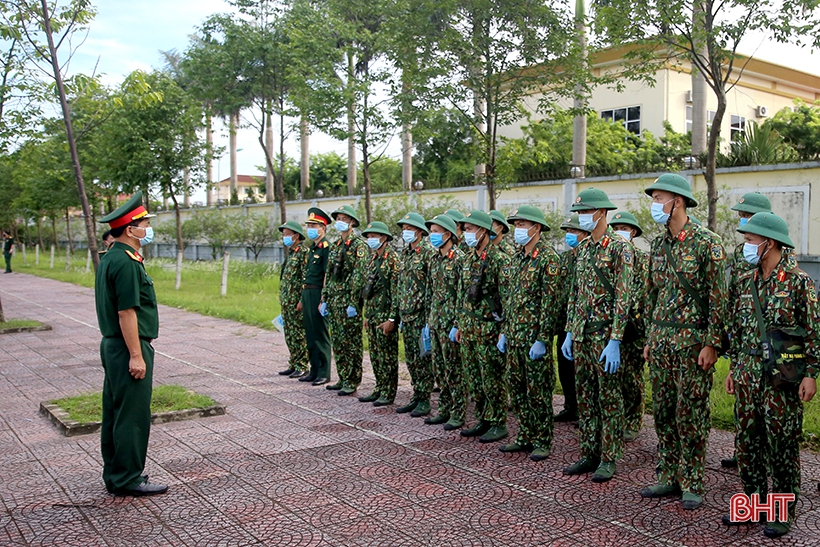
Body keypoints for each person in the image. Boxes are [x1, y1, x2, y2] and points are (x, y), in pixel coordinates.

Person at [724, 212, 818, 538]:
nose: (746, 246)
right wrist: (734, 368)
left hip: (782, 377)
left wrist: (811, 374)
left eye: (751, 240)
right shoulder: (744, 281)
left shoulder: (798, 282)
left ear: (770, 242)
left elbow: (813, 332)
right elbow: (737, 331)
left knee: (782, 444)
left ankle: (781, 509)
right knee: (747, 442)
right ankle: (754, 502)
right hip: (748, 374)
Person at [640, 173, 728, 510]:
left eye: (658, 198)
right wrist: (650, 338)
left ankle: (692, 481)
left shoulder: (707, 243)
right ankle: (668, 475)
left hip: (693, 344)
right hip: (662, 343)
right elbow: (652, 296)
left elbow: (718, 298)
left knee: (690, 412)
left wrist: (712, 343)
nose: (654, 205)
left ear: (677, 201)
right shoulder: (658, 245)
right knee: (663, 412)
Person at [95, 191, 167, 497]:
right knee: (132, 415)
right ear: (130, 229)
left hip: (114, 345)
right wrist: (136, 355)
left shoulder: (111, 257)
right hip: (128, 345)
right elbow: (126, 312)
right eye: (145, 225)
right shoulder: (125, 262)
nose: (148, 229)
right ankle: (127, 478)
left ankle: (116, 474)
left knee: (116, 411)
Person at [561, 189, 633, 483]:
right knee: (586, 397)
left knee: (609, 399)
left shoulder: (619, 248)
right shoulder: (583, 249)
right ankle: (589, 452)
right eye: (578, 212)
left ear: (602, 212)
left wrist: (616, 340)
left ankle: (608, 456)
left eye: (585, 212)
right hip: (582, 335)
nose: (581, 217)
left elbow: (624, 296)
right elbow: (575, 294)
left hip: (605, 337)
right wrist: (569, 331)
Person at [498, 205, 564, 461]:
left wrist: (543, 338)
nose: (518, 229)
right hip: (514, 336)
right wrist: (505, 331)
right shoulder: (516, 257)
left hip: (534, 339)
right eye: (516, 225)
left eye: (522, 225)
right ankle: (525, 434)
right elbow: (510, 299)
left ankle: (542, 439)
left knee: (538, 392)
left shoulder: (548, 258)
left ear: (536, 228)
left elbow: (551, 303)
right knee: (517, 390)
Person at [721, 192, 773, 468]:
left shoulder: (778, 252)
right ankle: (742, 451)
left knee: (769, 406)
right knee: (743, 404)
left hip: (769, 343)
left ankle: (766, 454)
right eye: (742, 216)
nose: (744, 221)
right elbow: (734, 293)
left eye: (748, 215)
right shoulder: (743, 251)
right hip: (744, 337)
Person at [454, 210, 510, 443]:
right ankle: (483, 418)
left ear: (483, 231)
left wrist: (504, 331)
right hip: (469, 328)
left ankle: (498, 422)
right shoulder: (468, 258)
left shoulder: (499, 259)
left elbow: (507, 298)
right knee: (474, 378)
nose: (466, 233)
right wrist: (459, 324)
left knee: (492, 379)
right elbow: (462, 294)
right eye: (465, 229)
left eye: (470, 229)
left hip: (489, 330)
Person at [424, 214, 468, 430]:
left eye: (436, 232)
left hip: (451, 324)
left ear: (448, 234)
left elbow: (463, 294)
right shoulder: (434, 259)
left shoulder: (460, 259)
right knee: (439, 370)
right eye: (431, 231)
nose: (432, 235)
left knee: (454, 371)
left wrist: (458, 323)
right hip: (435, 322)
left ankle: (458, 412)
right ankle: (444, 408)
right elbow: (430, 291)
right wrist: (428, 320)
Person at [609, 211, 649, 441]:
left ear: (633, 232)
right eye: (615, 228)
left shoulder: (642, 259)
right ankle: (618, 418)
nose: (619, 232)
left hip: (634, 326)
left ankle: (634, 420)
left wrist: (632, 316)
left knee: (632, 377)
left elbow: (643, 291)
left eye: (623, 228)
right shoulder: (610, 255)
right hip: (612, 325)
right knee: (614, 377)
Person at [322, 206, 368, 395]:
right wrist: (325, 298)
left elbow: (359, 275)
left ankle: (352, 380)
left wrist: (354, 302)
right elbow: (329, 274)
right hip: (334, 301)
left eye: (344, 218)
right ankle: (342, 377)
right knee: (338, 341)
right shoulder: (335, 246)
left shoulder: (359, 246)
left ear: (352, 223)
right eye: (338, 218)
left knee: (351, 343)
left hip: (349, 302)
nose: (340, 221)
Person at [395, 213, 435, 417]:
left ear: (420, 231)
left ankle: (425, 399)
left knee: (422, 360)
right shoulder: (405, 254)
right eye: (404, 229)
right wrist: (399, 314)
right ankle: (416, 395)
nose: (406, 232)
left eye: (409, 228)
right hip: (407, 314)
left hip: (421, 315)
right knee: (411, 358)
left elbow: (432, 286)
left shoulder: (428, 253)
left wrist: (429, 318)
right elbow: (401, 285)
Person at [359, 221, 400, 406]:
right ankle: (379, 387)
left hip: (385, 315)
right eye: (368, 236)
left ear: (383, 238)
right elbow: (368, 289)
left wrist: (392, 318)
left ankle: (389, 392)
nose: (370, 239)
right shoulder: (372, 259)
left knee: (387, 357)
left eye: (374, 236)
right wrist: (366, 315)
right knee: (375, 355)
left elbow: (396, 292)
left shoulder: (392, 260)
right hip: (373, 314)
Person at [554, 214, 590, 422]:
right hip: (564, 320)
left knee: (581, 370)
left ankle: (584, 411)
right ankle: (570, 406)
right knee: (565, 366)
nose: (569, 235)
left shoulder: (589, 255)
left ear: (585, 233)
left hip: (582, 322)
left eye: (573, 231)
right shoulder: (565, 258)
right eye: (567, 231)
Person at [300, 207, 333, 385]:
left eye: (314, 225)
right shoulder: (313, 248)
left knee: (320, 333)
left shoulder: (326, 248)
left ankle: (323, 371)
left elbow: (327, 274)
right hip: (307, 292)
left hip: (318, 292)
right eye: (309, 225)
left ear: (323, 228)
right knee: (310, 333)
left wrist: (324, 299)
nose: (310, 228)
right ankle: (314, 369)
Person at [277, 220, 310, 378]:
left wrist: (302, 300)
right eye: (283, 235)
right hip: (287, 301)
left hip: (296, 301)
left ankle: (302, 365)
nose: (284, 237)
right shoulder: (291, 253)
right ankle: (294, 362)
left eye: (287, 234)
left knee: (298, 333)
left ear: (296, 236)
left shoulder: (303, 253)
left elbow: (305, 278)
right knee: (289, 333)